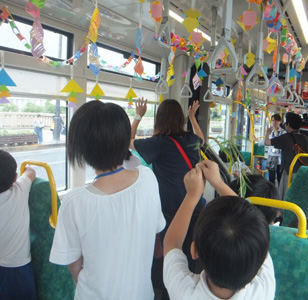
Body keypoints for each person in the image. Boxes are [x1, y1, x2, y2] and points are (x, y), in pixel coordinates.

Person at [50, 101, 165, 299]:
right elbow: (156, 236)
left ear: (82, 149)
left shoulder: (74, 203)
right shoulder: (147, 178)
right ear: (124, 141)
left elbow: (74, 266)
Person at [163, 160, 276, 300]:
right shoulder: (264, 289)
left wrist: (192, 195)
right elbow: (171, 244)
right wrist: (217, 183)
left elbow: (171, 243)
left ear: (194, 250)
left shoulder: (184, 291)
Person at [131, 98, 205, 298]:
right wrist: (192, 117)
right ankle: (190, 285)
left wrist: (138, 115)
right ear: (180, 119)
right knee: (190, 249)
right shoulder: (190, 140)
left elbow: (128, 143)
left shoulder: (158, 143)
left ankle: (168, 291)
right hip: (195, 203)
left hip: (170, 208)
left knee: (170, 251)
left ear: (159, 119)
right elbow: (202, 139)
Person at [0, 150, 37, 300]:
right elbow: (31, 172)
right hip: (18, 270)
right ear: (15, 178)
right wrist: (26, 168)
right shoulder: (19, 190)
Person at [264, 112, 308, 200]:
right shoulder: (304, 138)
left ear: (287, 124)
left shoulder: (286, 137)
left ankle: (283, 212)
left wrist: (267, 132)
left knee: (286, 195)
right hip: (303, 171)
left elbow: (267, 142)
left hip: (289, 170)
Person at [264, 113, 286, 185]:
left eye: (276, 121)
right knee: (271, 178)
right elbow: (265, 142)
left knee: (280, 177)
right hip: (271, 157)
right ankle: (272, 193)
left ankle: (279, 193)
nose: (274, 122)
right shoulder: (270, 133)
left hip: (280, 158)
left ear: (280, 122)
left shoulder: (283, 133)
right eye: (273, 120)